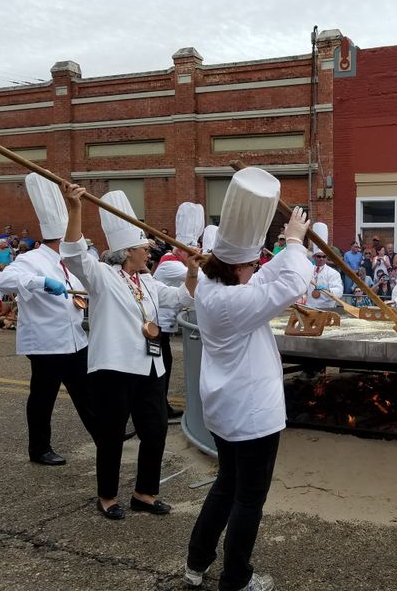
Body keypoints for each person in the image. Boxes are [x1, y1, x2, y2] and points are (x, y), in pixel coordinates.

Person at [184, 168, 313, 591]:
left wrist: (279, 251)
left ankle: (197, 563)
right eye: (251, 263)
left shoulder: (210, 284)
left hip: (225, 410)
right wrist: (293, 241)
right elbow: (292, 281)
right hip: (252, 415)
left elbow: (265, 279)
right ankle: (236, 578)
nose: (255, 269)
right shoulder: (233, 303)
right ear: (238, 266)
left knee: (226, 486)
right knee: (248, 500)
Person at [60, 185, 198, 520]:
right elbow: (74, 254)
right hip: (115, 368)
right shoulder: (103, 277)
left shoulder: (147, 282)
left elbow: (183, 297)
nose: (148, 253)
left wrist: (193, 270)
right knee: (112, 435)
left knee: (155, 431)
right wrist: (75, 209)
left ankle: (144, 493)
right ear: (126, 252)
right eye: (143, 248)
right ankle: (106, 495)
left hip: (150, 368)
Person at [0, 174, 97, 466]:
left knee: (86, 391)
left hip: (75, 337)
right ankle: (39, 448)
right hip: (47, 342)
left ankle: (104, 434)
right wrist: (40, 283)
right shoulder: (33, 260)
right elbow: (5, 280)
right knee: (43, 397)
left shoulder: (70, 262)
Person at [153, 202, 206, 420]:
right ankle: (158, 409)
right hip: (156, 325)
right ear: (181, 250)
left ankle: (160, 406)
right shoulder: (170, 264)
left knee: (164, 366)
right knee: (160, 367)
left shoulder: (178, 262)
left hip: (164, 325)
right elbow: (201, 278)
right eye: (192, 252)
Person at [306, 223, 343, 310]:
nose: (321, 259)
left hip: (327, 308)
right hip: (309, 307)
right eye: (319, 256)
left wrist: (328, 290)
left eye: (324, 256)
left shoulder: (333, 273)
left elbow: (339, 291)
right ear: (314, 257)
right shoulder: (307, 271)